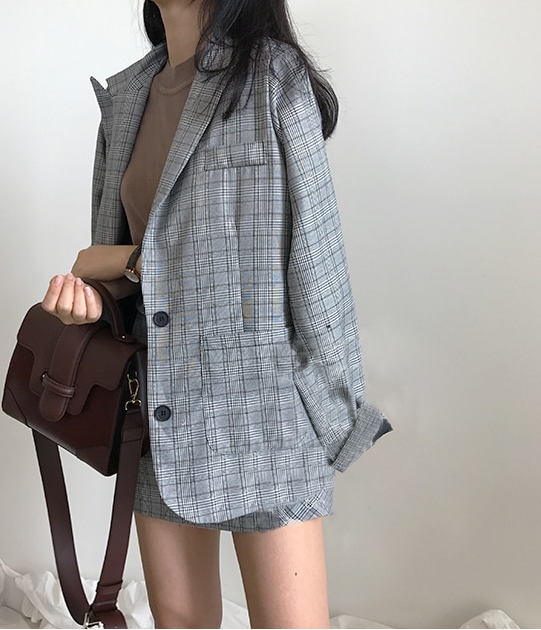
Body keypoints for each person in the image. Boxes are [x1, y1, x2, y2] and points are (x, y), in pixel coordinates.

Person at [41, 0, 391, 627]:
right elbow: (111, 266)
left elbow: (317, 258)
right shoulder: (127, 97)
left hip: (266, 412)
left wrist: (337, 411)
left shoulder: (272, 77)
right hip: (158, 410)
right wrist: (90, 298)